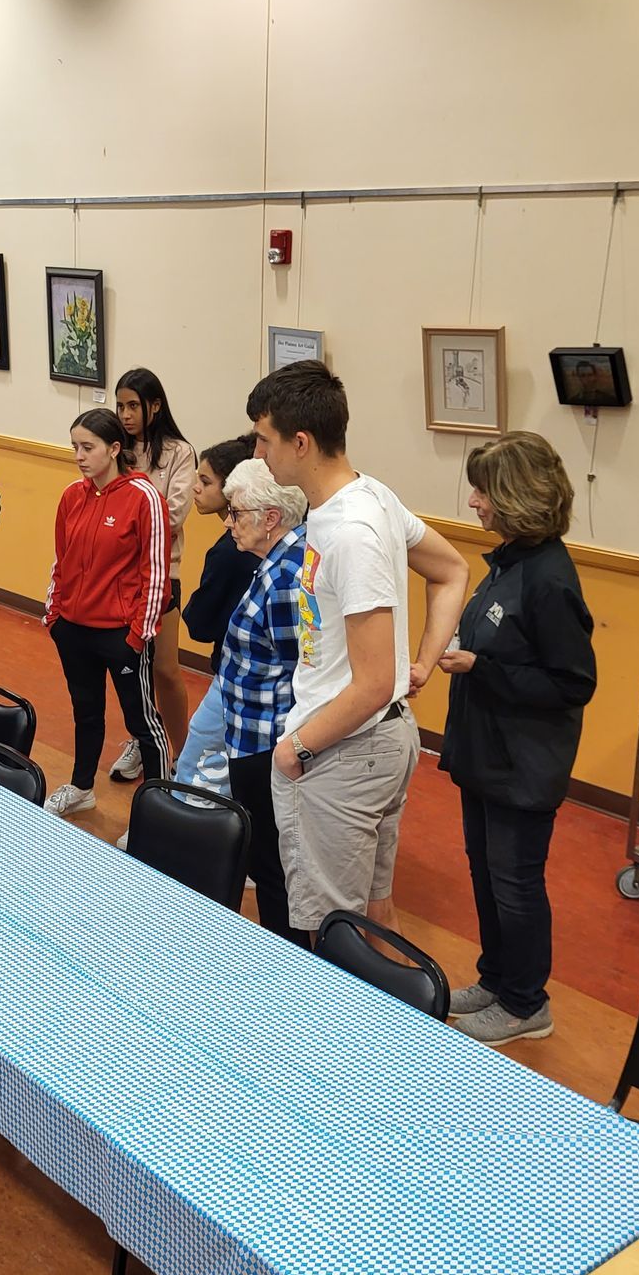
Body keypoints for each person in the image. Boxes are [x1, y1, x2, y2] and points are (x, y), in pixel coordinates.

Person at [251, 360, 470, 939]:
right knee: (374, 916)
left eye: (264, 439)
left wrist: (295, 747)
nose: (258, 454)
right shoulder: (372, 497)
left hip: (343, 750)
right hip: (377, 740)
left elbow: (372, 683)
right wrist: (420, 663)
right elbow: (452, 571)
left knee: (329, 936)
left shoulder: (353, 532)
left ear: (300, 442)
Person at [436, 432, 596, 1046]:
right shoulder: (510, 561)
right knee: (485, 871)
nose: (474, 501)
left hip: (523, 764)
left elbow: (572, 682)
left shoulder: (549, 580)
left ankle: (527, 1002)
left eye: (483, 490)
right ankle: (497, 977)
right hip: (487, 754)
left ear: (514, 497)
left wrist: (483, 669)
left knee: (516, 881)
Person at [41, 409, 173, 817]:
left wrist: (137, 635)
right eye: (75, 447)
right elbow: (61, 562)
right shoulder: (71, 496)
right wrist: (54, 615)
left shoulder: (144, 496)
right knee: (86, 713)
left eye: (88, 447)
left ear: (114, 449)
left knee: (143, 724)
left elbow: (156, 572)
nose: (79, 456)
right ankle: (82, 788)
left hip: (121, 635)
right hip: (74, 631)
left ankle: (158, 810)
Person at [217, 458, 309, 941]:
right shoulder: (276, 562)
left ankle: (289, 963)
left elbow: (303, 672)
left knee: (273, 866)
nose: (229, 523)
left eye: (235, 513)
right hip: (250, 731)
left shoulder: (287, 577)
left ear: (269, 518)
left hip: (267, 741)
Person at [106, 368, 199, 783]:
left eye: (132, 405)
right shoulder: (115, 450)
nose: (125, 415)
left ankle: (183, 754)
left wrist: (127, 515)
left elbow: (173, 515)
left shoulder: (180, 453)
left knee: (164, 668)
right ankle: (144, 741)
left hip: (163, 574)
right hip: (119, 574)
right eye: (120, 405)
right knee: (131, 668)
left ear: (154, 405)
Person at [170, 435, 263, 797]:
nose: (195, 487)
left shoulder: (229, 552)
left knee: (200, 765)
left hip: (235, 675)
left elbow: (200, 623)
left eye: (206, 481)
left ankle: (179, 826)